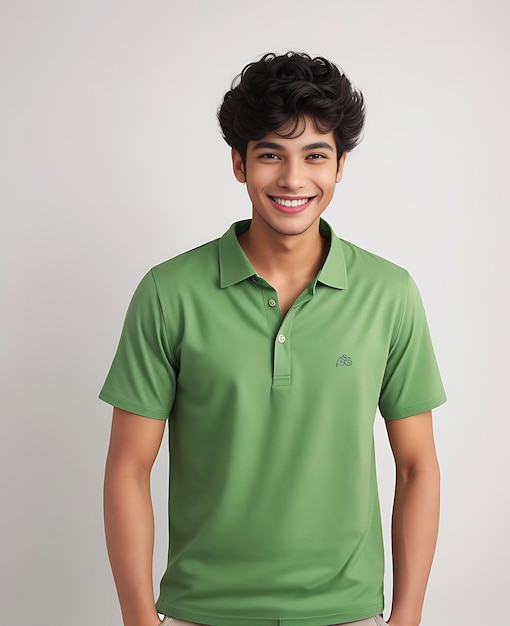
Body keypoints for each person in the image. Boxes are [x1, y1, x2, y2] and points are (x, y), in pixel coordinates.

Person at [100, 52, 446, 626]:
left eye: (315, 155)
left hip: (347, 612)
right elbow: (128, 469)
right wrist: (139, 620)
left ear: (340, 168)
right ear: (239, 164)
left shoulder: (390, 294)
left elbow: (417, 467)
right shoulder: (169, 293)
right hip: (200, 612)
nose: (292, 179)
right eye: (270, 155)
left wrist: (406, 618)